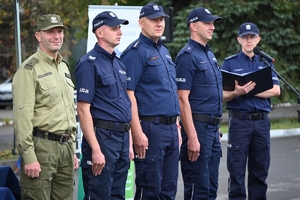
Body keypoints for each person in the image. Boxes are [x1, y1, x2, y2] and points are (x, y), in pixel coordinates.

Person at [12, 14, 78, 200]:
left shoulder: (63, 66)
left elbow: (67, 112)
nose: (57, 36)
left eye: (59, 31)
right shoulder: (29, 69)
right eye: (50, 32)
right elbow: (22, 116)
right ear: (38, 36)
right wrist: (29, 156)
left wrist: (71, 149)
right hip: (42, 147)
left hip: (65, 147)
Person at [120, 3, 181, 200]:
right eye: (154, 19)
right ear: (141, 23)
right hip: (150, 128)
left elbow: (170, 92)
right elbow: (129, 94)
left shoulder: (164, 51)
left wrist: (177, 126)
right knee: (150, 189)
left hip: (171, 129)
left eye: (161, 19)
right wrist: (137, 132)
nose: (159, 23)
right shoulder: (135, 52)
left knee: (169, 189)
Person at [75, 11, 132, 200]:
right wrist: (96, 149)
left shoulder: (119, 64)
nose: (120, 32)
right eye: (114, 27)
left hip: (122, 138)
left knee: (118, 195)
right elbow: (83, 110)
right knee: (99, 194)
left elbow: (124, 105)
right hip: (102, 138)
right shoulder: (88, 63)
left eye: (120, 27)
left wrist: (129, 141)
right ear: (100, 33)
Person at [222, 22, 281, 200]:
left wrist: (248, 90)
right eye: (245, 37)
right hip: (240, 123)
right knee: (237, 171)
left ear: (258, 39)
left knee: (260, 171)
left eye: (252, 37)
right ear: (239, 39)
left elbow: (276, 90)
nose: (249, 40)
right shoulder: (230, 63)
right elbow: (222, 94)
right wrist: (236, 92)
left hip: (262, 123)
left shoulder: (265, 62)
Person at [175, 7, 223, 200]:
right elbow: (181, 98)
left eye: (213, 23)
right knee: (198, 188)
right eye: (208, 23)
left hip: (212, 129)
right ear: (193, 26)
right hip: (198, 128)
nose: (212, 27)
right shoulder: (187, 56)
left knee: (211, 187)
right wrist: (193, 136)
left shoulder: (209, 55)